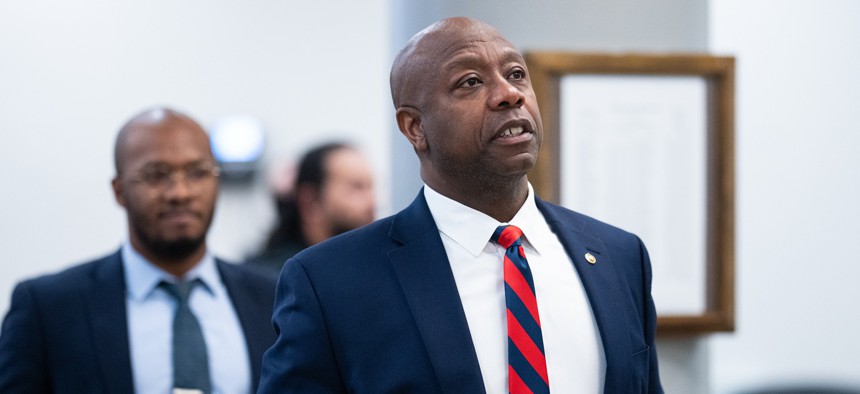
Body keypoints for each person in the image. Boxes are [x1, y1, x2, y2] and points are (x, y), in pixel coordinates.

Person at [258, 17, 662, 393]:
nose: (509, 94)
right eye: (470, 82)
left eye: (516, 74)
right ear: (415, 128)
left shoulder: (619, 256)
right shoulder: (330, 281)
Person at [0, 107, 277, 393]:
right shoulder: (49, 308)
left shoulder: (272, 298)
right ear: (119, 191)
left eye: (197, 173)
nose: (180, 193)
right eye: (156, 175)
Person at [246, 142, 375, 276]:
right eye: (356, 187)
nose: (372, 202)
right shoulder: (270, 279)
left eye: (370, 187)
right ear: (311, 203)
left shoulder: (373, 268)